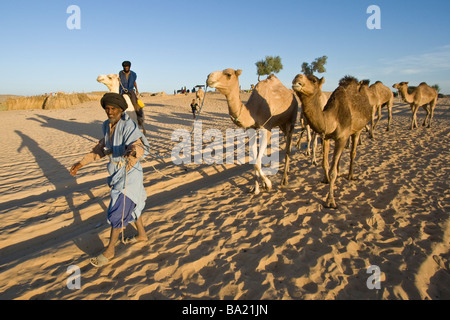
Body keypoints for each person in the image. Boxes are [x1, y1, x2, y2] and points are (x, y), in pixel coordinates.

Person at [70, 92, 150, 267]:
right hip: (116, 172)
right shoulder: (107, 126)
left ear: (121, 109)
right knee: (133, 204)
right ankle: (142, 235)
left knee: (118, 211)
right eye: (107, 108)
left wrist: (133, 151)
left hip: (130, 173)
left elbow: (138, 144)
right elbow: (102, 148)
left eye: (113, 108)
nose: (110, 111)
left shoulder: (129, 126)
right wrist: (81, 163)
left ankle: (110, 250)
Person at [119, 61, 146, 135]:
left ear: (129, 67)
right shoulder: (120, 73)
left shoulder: (133, 74)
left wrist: (136, 89)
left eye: (127, 66)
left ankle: (139, 117)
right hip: (122, 91)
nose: (126, 68)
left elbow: (134, 82)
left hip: (130, 90)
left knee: (135, 103)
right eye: (124, 67)